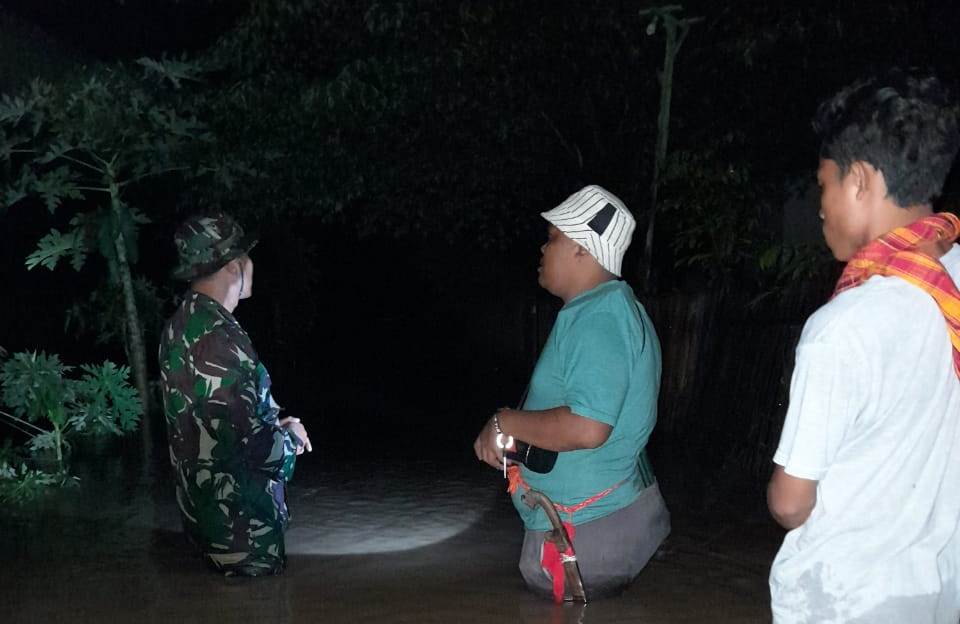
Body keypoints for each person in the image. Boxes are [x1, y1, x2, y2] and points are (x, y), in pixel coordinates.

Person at [767, 69, 960, 623]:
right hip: (938, 593)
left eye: (823, 184)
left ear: (859, 181)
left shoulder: (845, 326)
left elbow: (791, 502)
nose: (820, 206)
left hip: (843, 598)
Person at [473, 185, 670, 600]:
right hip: (587, 536)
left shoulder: (601, 313)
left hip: (586, 539)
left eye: (553, 237)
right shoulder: (606, 311)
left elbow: (587, 427)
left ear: (583, 247)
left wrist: (504, 421)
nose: (543, 249)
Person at [158, 211, 312, 577]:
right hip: (243, 533)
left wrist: (271, 423)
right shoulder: (220, 339)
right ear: (232, 264)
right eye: (246, 255)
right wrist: (291, 438)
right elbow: (254, 447)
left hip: (206, 522)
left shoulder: (180, 325)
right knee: (261, 604)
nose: (251, 264)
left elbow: (215, 425)